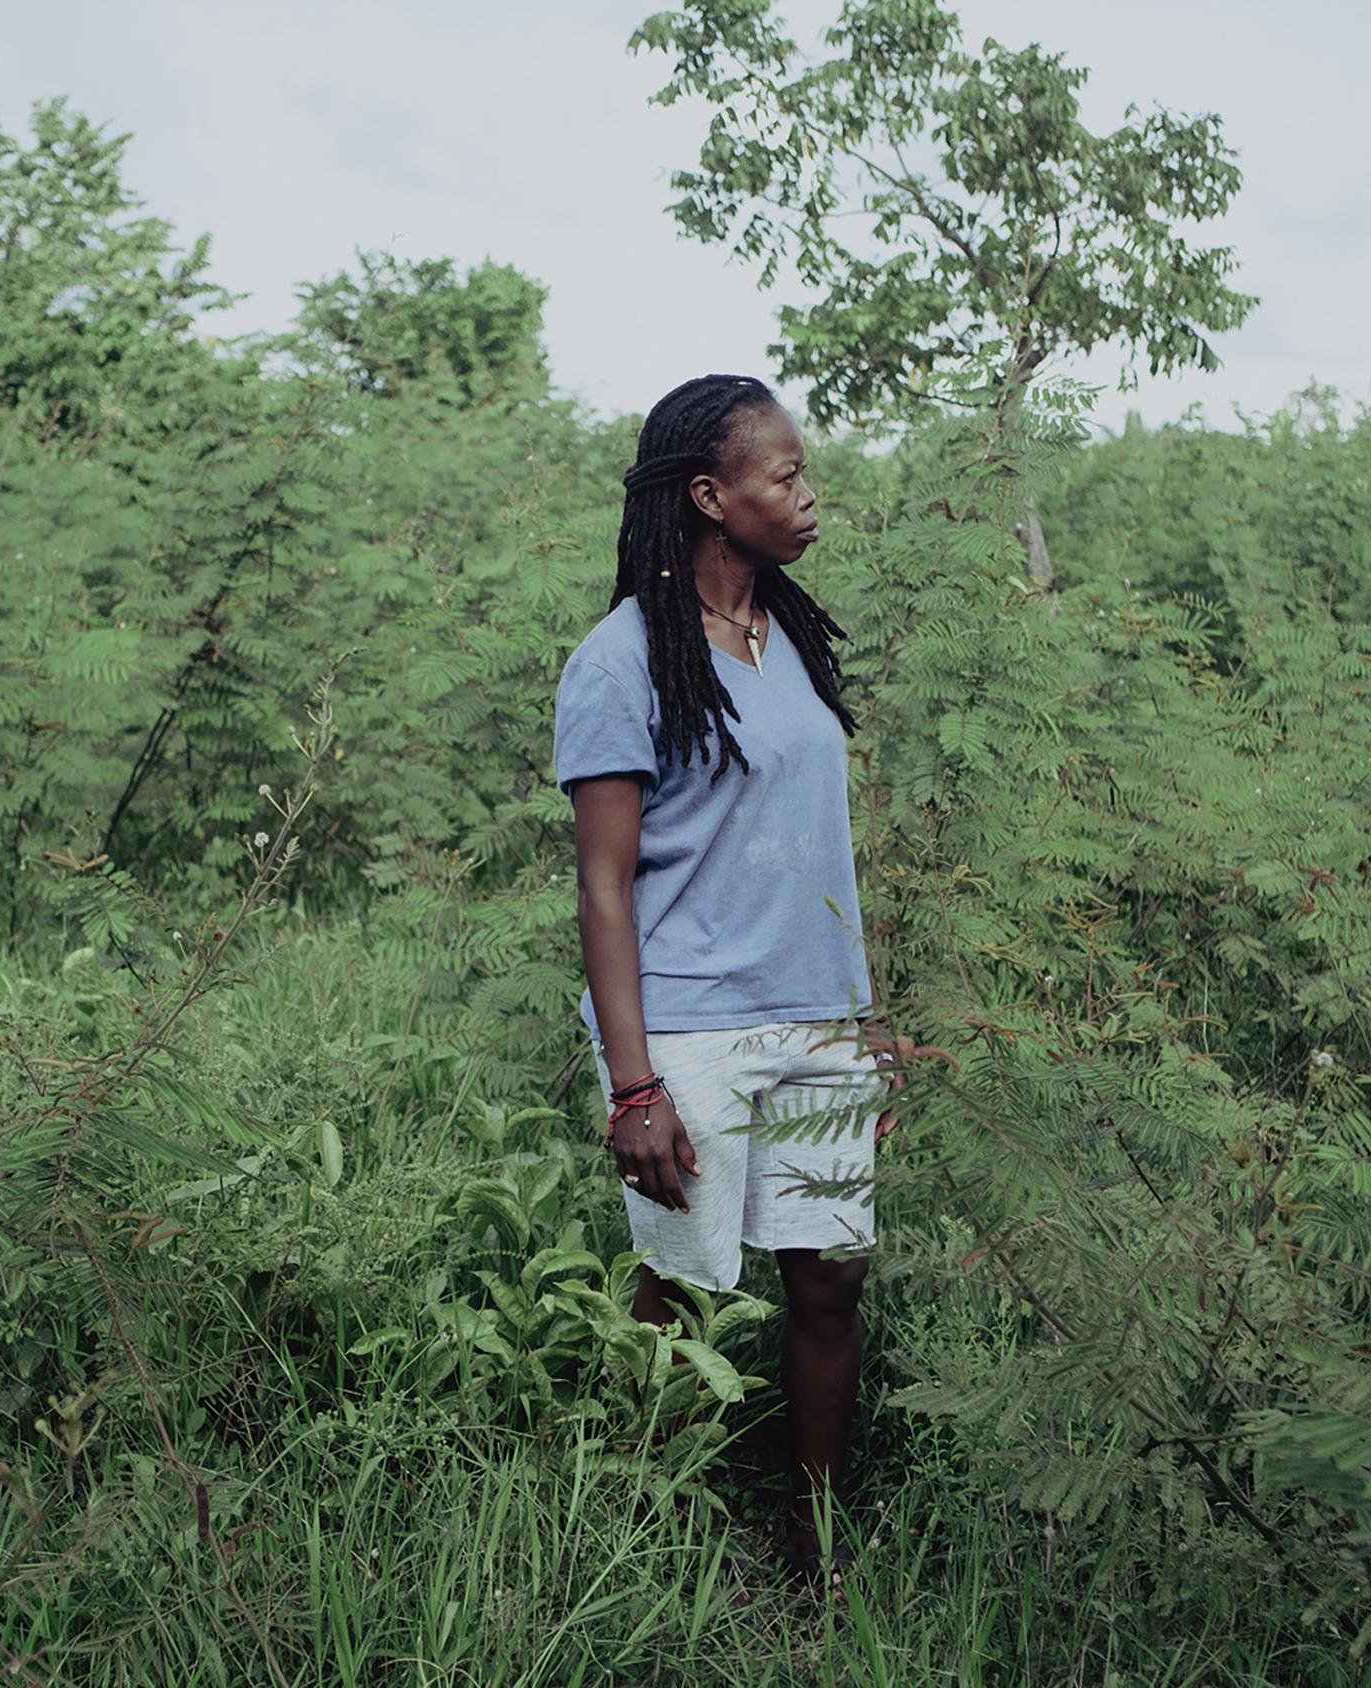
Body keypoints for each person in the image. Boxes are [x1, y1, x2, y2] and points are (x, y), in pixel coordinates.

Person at [551, 372, 908, 1588]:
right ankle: (650, 1548)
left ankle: (813, 1541)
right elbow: (604, 887)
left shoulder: (791, 638)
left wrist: (865, 1018)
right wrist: (634, 1081)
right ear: (710, 496)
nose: (809, 495)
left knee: (831, 1280)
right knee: (688, 1294)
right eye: (785, 476)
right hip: (691, 1029)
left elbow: (822, 849)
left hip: (815, 1022)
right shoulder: (621, 660)